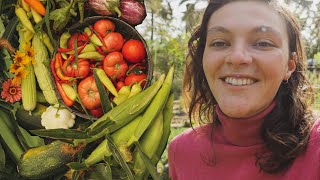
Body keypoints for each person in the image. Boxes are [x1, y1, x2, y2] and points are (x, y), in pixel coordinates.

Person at [168, 0, 320, 179]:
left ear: (289, 65)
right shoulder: (181, 151)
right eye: (219, 43)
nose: (237, 57)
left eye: (263, 43)